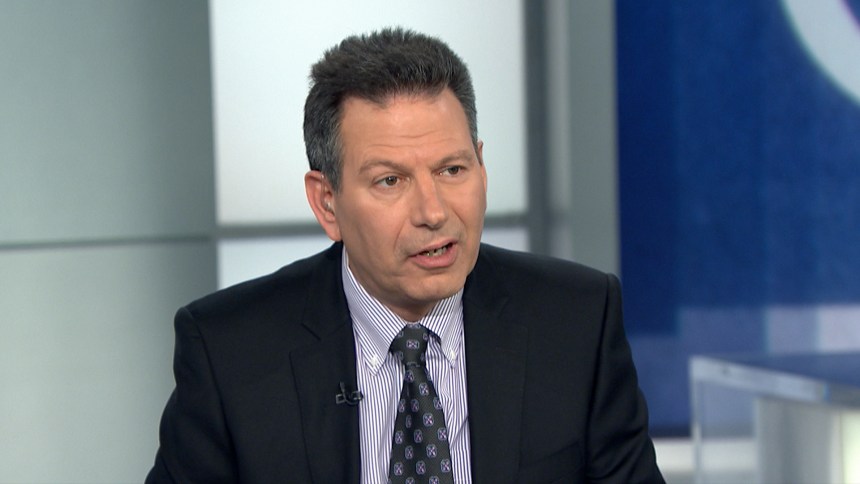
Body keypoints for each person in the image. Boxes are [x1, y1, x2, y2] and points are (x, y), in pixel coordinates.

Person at [146, 27, 663, 483]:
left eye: (452, 170)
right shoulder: (229, 352)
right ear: (327, 203)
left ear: (482, 168)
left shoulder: (577, 321)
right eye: (390, 181)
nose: (433, 212)